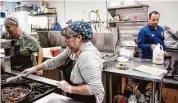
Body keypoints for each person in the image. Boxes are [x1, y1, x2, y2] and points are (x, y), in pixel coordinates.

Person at [21, 21, 105, 103]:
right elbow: (55, 61)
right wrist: (34, 69)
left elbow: (95, 88)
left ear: (79, 38)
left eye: (68, 38)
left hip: (88, 99)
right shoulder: (72, 49)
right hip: (75, 97)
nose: (65, 40)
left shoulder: (88, 56)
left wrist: (69, 88)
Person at [137, 11, 167, 102]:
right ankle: (140, 95)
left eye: (157, 20)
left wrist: (165, 50)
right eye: (153, 20)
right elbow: (140, 45)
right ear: (149, 19)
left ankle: (158, 98)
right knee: (145, 80)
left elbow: (162, 42)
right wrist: (150, 46)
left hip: (159, 59)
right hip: (147, 60)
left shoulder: (161, 29)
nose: (156, 22)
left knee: (158, 81)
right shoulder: (143, 31)